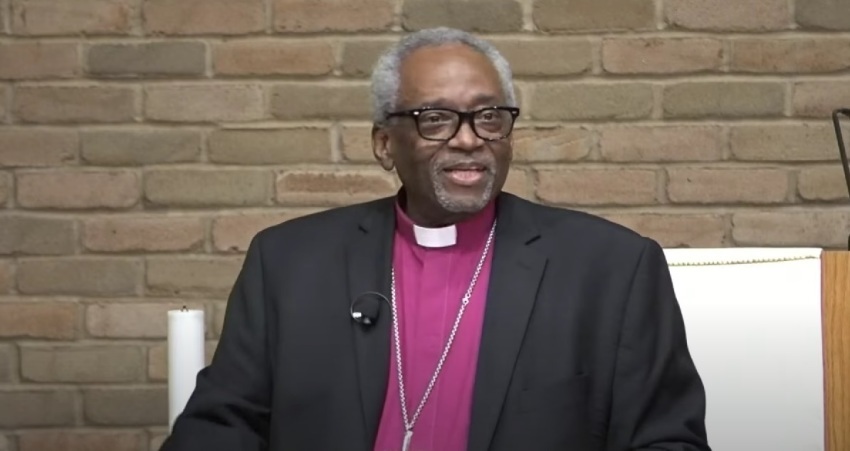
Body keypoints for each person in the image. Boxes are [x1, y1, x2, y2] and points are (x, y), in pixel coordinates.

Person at [160, 27, 710, 451]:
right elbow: (220, 428)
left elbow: (666, 440)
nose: (469, 140)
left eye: (489, 117)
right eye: (435, 119)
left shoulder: (611, 267)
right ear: (384, 144)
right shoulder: (288, 262)